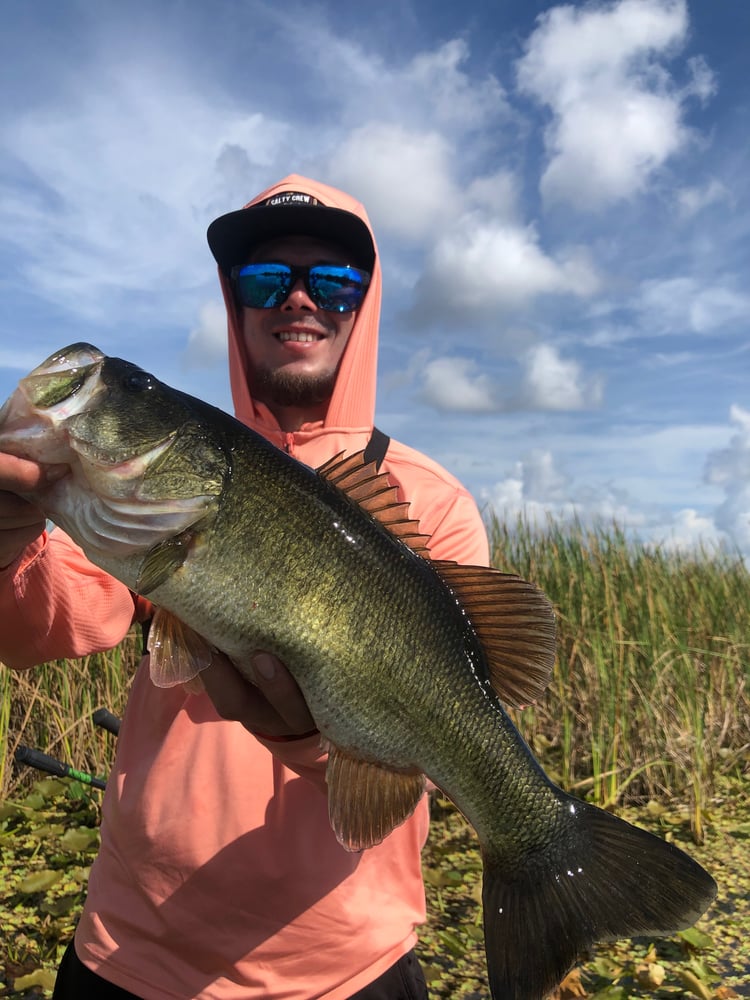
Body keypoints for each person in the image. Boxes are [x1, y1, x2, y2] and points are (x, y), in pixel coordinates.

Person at [0, 175, 490, 999]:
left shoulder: (431, 502)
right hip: (129, 950)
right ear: (235, 307)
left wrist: (315, 741)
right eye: (265, 280)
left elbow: (441, 742)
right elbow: (40, 630)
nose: (298, 299)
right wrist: (9, 543)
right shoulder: (147, 504)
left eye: (332, 280)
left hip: (346, 970)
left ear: (364, 305)